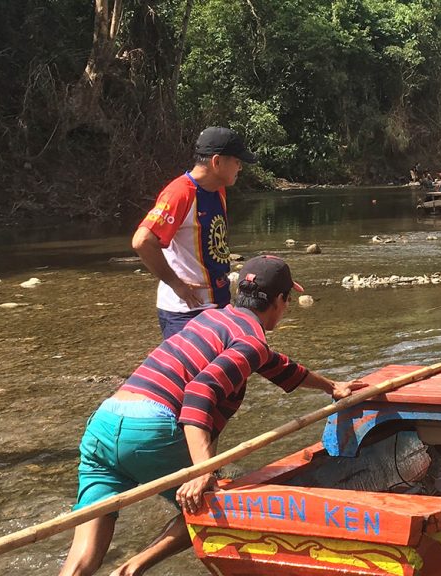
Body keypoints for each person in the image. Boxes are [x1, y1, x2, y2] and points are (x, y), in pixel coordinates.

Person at [58, 255, 365, 576]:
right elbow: (199, 393)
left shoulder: (212, 319)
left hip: (104, 424)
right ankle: (132, 568)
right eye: (286, 301)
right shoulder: (252, 341)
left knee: (79, 563)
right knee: (210, 503)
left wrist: (332, 386)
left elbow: (279, 366)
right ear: (279, 300)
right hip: (151, 427)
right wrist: (203, 470)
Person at [132, 126, 257, 339]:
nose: (240, 168)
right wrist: (176, 284)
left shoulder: (218, 189)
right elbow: (142, 241)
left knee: (231, 372)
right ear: (217, 162)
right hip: (186, 312)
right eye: (237, 161)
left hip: (218, 305)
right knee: (197, 373)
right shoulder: (180, 193)